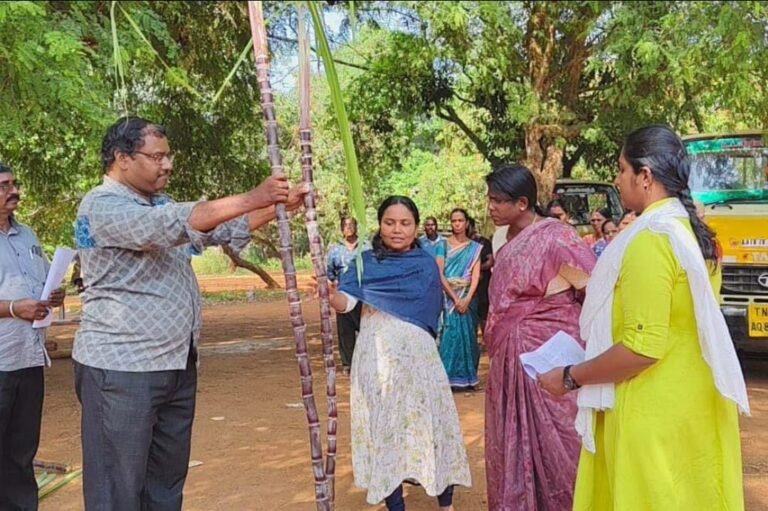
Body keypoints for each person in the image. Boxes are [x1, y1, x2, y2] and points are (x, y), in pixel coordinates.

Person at [72, 116, 308, 510]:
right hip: (122, 367)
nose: (167, 165)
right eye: (157, 156)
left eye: (169, 157)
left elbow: (215, 230)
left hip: (174, 363)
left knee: (164, 486)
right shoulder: (102, 205)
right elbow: (166, 226)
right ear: (122, 158)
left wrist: (278, 207)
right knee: (117, 490)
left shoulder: (158, 202)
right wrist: (255, 196)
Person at [539, 125, 749, 510]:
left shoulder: (651, 240)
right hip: (696, 402)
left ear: (645, 176)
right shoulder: (696, 235)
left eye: (621, 170)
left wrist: (570, 377)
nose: (617, 181)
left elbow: (641, 349)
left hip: (652, 412)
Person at [329, 196, 471, 511]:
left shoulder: (425, 264)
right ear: (380, 225)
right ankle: (395, 505)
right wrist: (330, 296)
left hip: (420, 361)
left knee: (433, 425)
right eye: (390, 222)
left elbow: (431, 312)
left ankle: (445, 504)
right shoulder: (364, 263)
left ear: (416, 227)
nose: (397, 230)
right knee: (386, 429)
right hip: (377, 361)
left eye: (405, 223)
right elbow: (347, 303)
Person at [483, 163, 596, 510]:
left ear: (522, 203)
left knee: (559, 437)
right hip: (507, 356)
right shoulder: (500, 238)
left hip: (548, 352)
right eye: (489, 199)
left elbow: (590, 287)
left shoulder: (555, 235)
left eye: (498, 201)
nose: (491, 208)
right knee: (513, 436)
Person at [0, 164, 66, 510]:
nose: (13, 191)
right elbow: (16, 303)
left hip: (28, 357)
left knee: (21, 450)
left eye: (14, 183)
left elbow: (40, 283)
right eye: (3, 186)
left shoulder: (28, 236)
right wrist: (15, 309)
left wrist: (52, 294)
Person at [439, 208, 483, 390]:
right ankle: (446, 377)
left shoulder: (474, 248)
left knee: (469, 336)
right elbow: (440, 273)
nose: (457, 224)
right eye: (453, 220)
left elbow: (476, 276)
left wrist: (466, 299)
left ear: (466, 223)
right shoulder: (442, 245)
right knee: (449, 335)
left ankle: (467, 378)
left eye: (460, 220)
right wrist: (455, 299)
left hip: (467, 296)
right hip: (449, 297)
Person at [326, 216, 365, 376]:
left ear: (356, 227)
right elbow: (330, 273)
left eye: (351, 225)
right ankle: (348, 363)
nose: (348, 228)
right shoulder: (335, 251)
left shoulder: (366, 247)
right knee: (345, 330)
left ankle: (365, 360)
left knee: (365, 327)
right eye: (345, 225)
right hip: (344, 295)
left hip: (364, 294)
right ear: (341, 229)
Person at [468, 217, 493, 336]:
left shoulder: (484, 242)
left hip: (483, 284)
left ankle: (486, 339)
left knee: (484, 314)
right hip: (466, 283)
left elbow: (490, 261)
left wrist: (477, 269)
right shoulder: (462, 244)